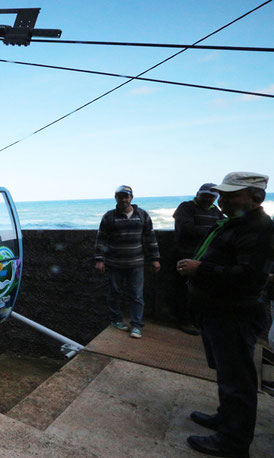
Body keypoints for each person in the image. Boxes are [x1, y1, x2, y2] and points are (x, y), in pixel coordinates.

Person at [177, 172, 274, 457]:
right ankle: (225, 418)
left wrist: (200, 269)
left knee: (238, 380)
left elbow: (251, 277)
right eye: (223, 194)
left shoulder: (259, 229)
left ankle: (233, 442)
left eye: (232, 195)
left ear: (256, 198)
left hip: (235, 314)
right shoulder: (237, 223)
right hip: (218, 310)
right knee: (227, 373)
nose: (224, 200)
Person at [95, 185, 161, 339]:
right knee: (114, 293)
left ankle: (137, 325)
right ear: (115, 198)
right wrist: (99, 260)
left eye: (126, 196)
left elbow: (150, 238)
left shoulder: (142, 215)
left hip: (136, 263)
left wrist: (155, 258)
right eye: (120, 196)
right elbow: (101, 239)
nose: (123, 199)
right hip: (114, 263)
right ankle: (116, 320)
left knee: (137, 295)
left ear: (131, 197)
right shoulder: (109, 216)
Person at [173, 183, 224, 335]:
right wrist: (213, 232)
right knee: (184, 289)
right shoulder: (186, 207)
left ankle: (197, 320)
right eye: (205, 196)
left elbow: (224, 224)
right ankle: (184, 320)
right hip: (186, 254)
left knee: (201, 290)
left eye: (212, 197)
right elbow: (186, 228)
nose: (208, 199)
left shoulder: (215, 210)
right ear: (197, 194)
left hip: (206, 257)